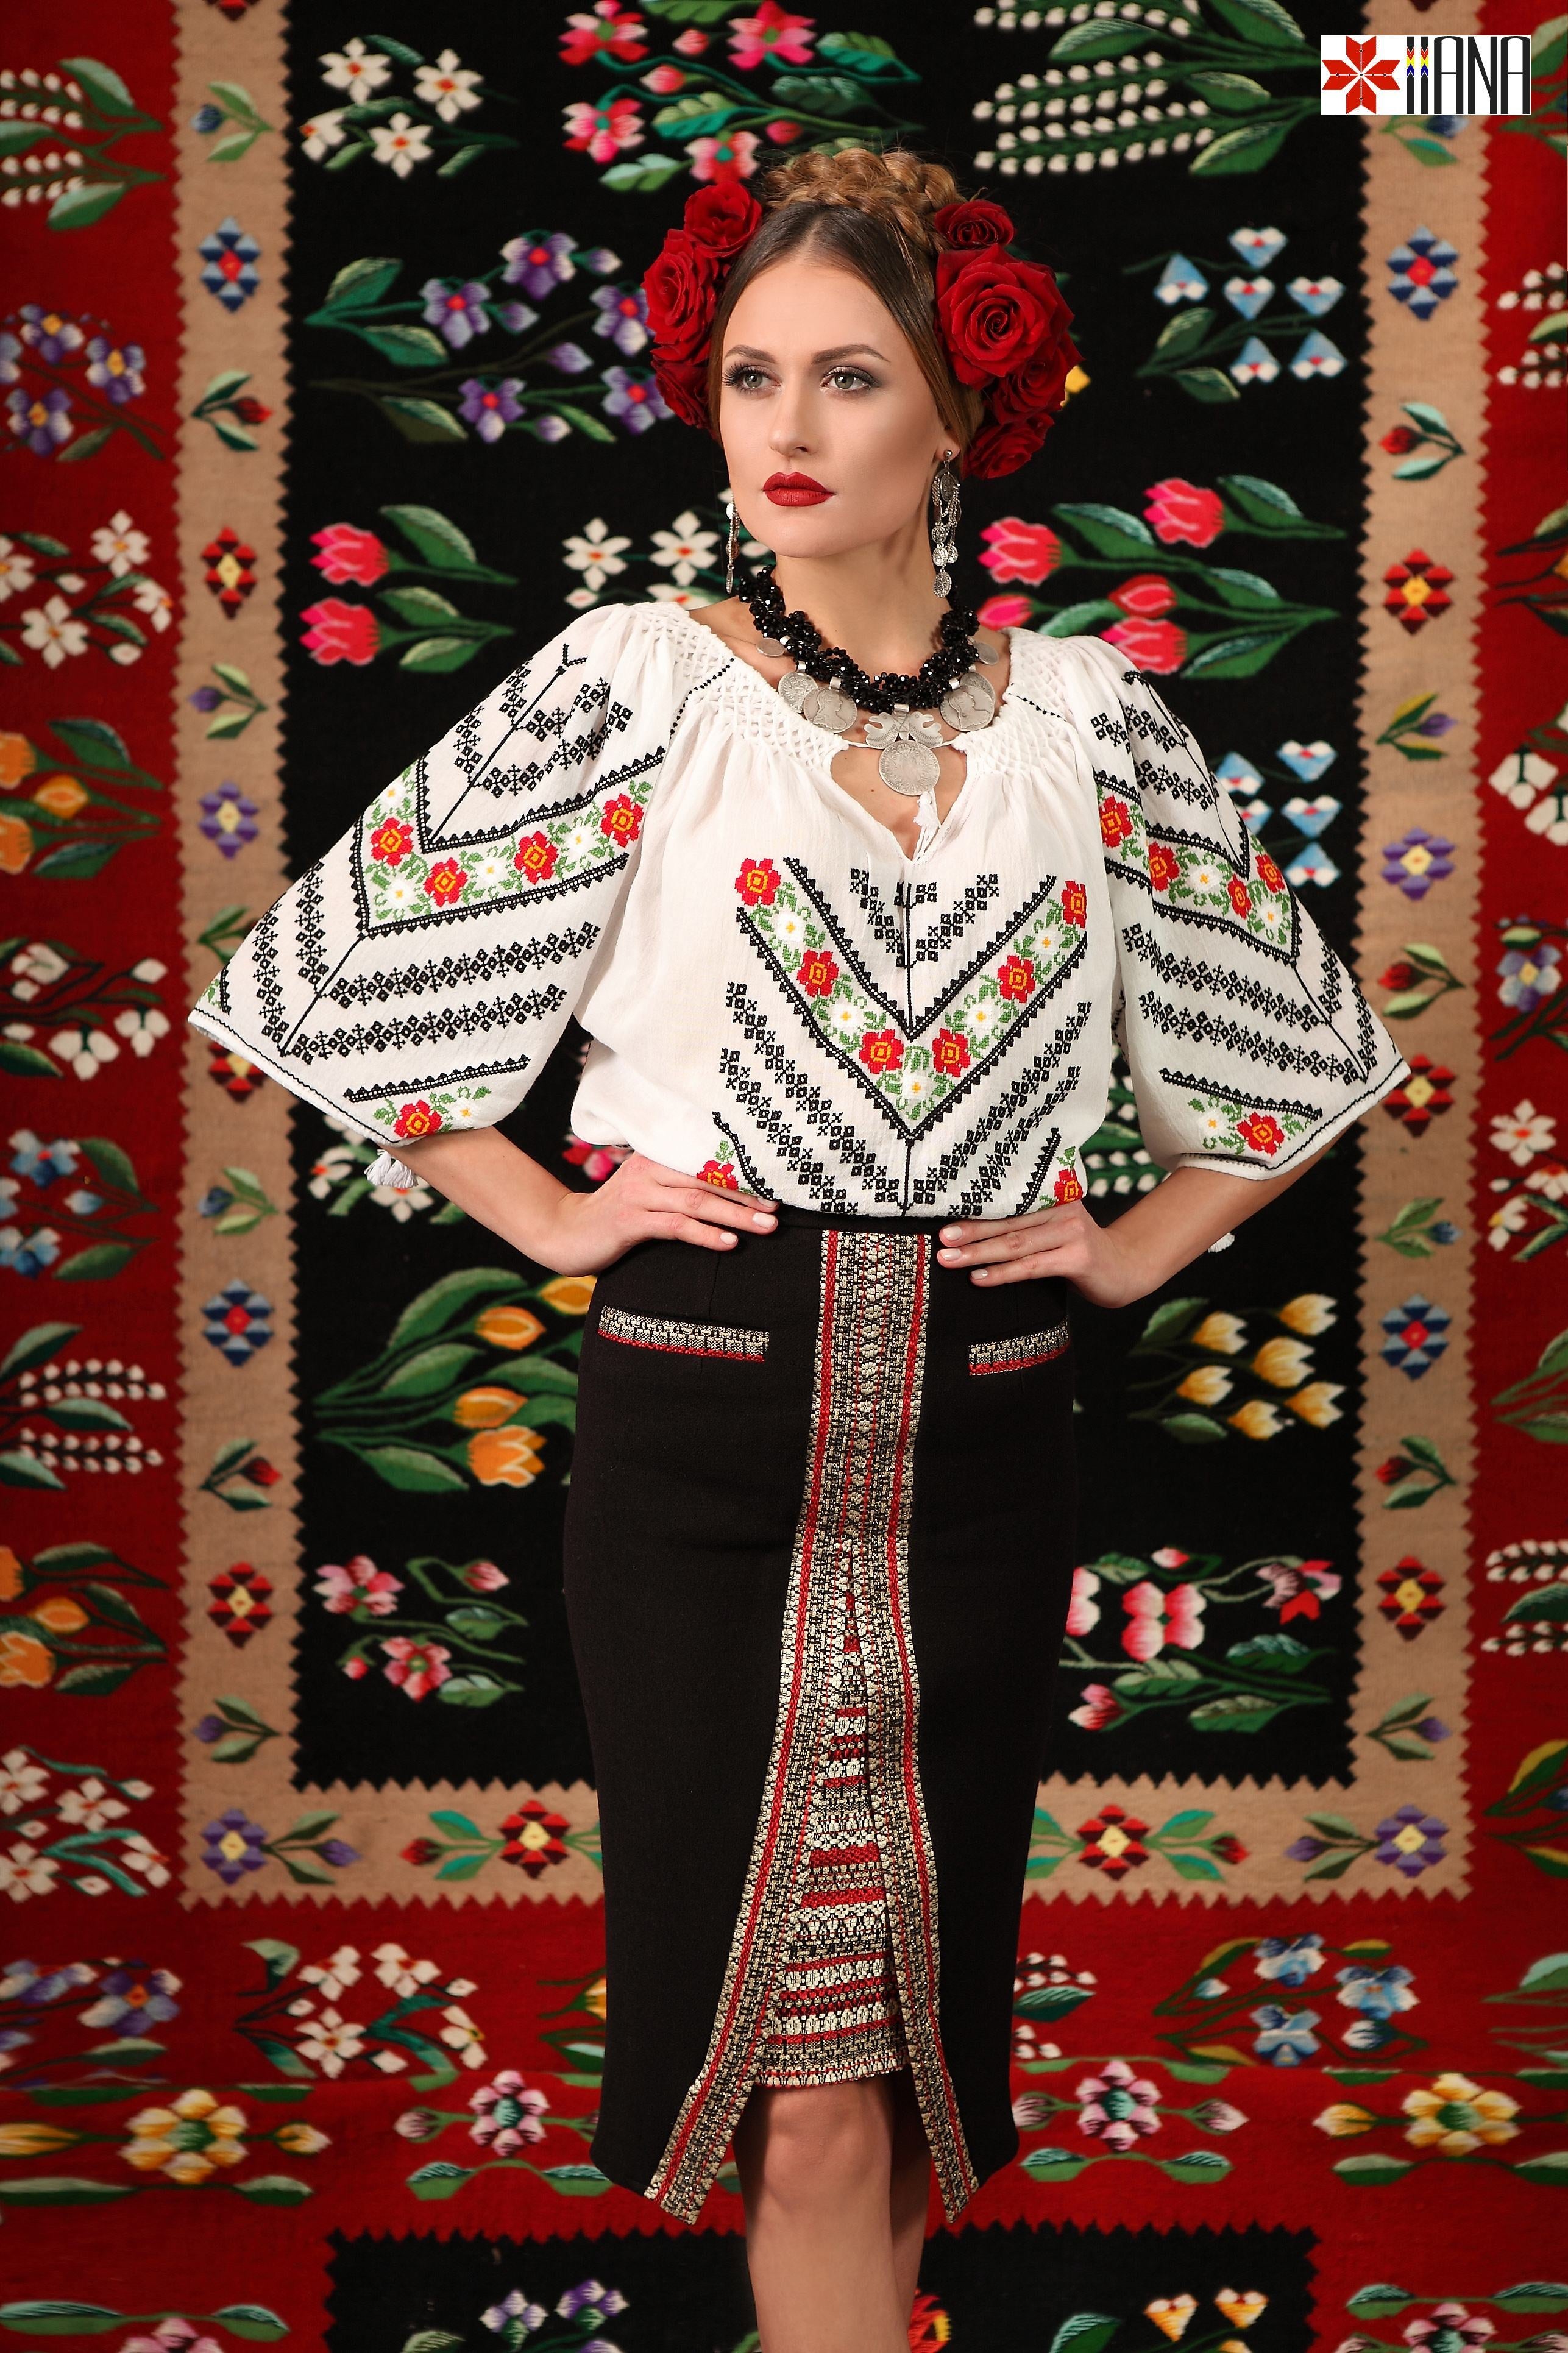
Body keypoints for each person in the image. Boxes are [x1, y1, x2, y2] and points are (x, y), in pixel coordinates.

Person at [191, 148, 1411, 2353]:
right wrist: (551, 1211)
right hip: (702, 1438)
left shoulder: (1088, 721)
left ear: (958, 411)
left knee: (908, 2081)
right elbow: (333, 987)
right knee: (801, 2094)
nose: (787, 427)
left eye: (849, 376)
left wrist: (1137, 1245)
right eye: (752, 376)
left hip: (988, 1452)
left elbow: (1298, 1058)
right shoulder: (639, 683)